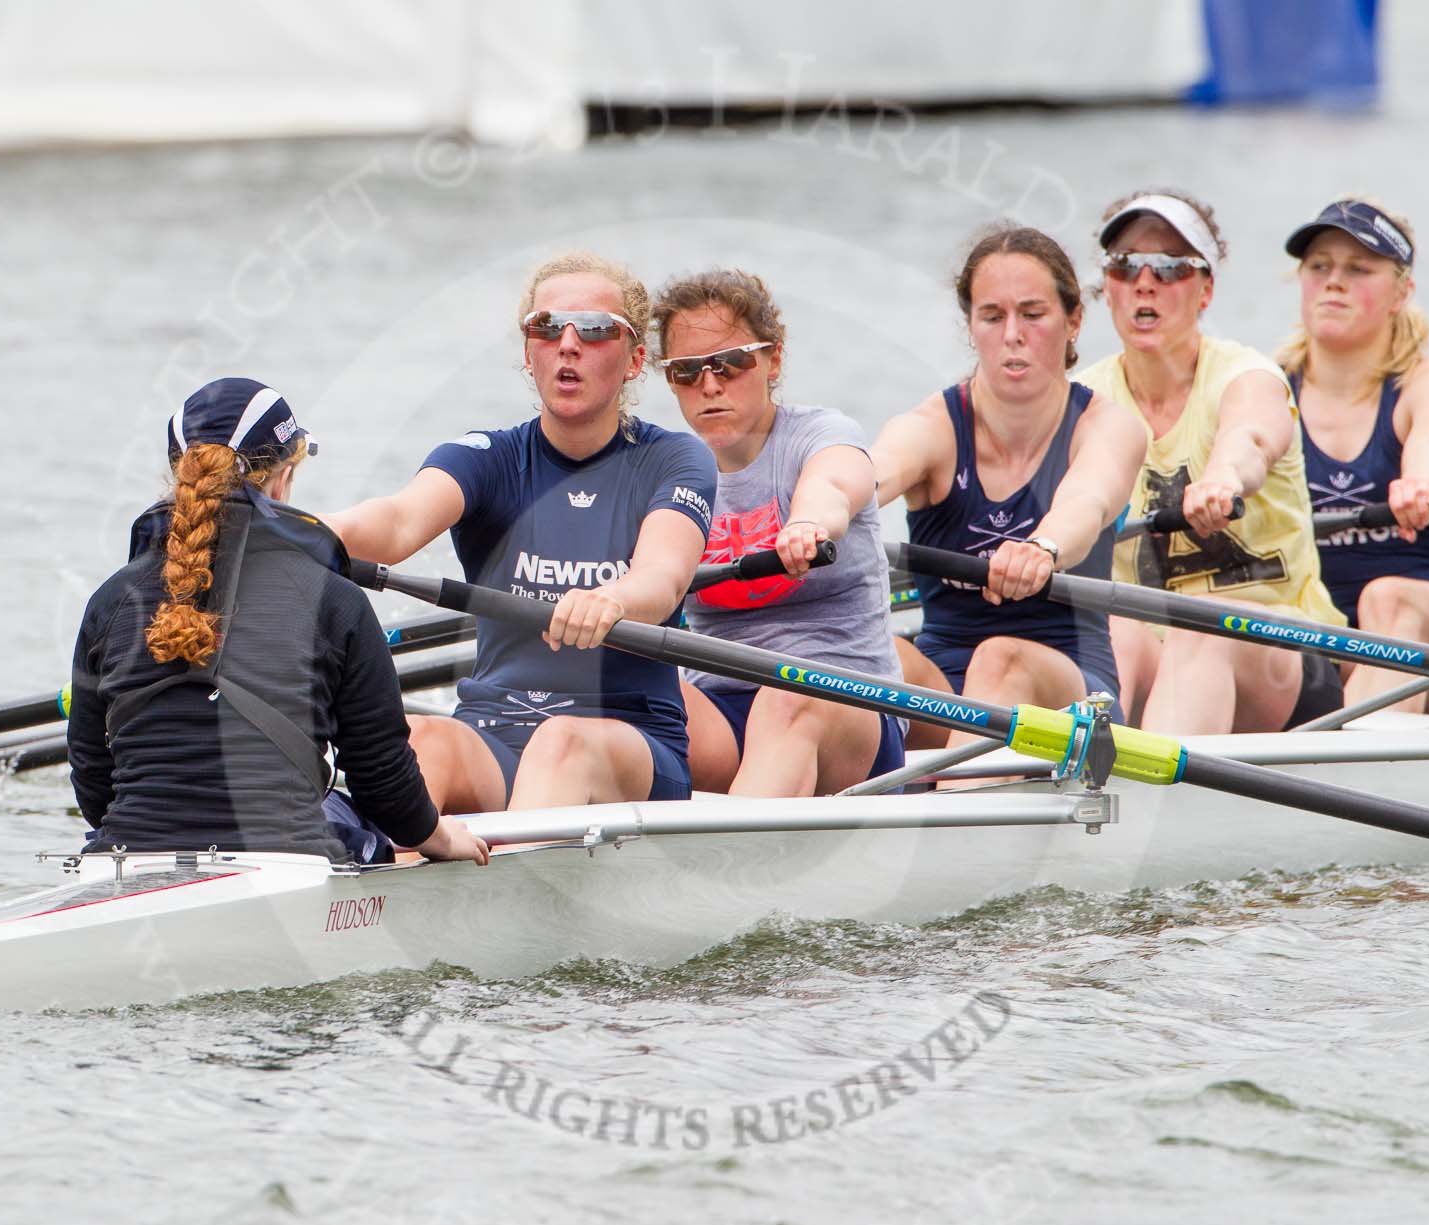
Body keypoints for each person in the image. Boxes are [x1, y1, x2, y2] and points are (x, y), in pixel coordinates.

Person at [324, 252, 716, 812]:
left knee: (561, 743)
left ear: (634, 361)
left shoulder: (674, 459)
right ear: (529, 353)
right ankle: (385, 887)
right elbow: (395, 521)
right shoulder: (484, 458)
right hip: (495, 730)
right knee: (421, 740)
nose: (569, 344)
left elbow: (662, 577)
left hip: (627, 739)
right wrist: (292, 530)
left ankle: (502, 889)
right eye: (547, 327)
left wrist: (611, 599)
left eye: (597, 330)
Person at [68, 377, 487, 866]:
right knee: (360, 826)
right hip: (288, 861)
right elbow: (382, 782)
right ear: (282, 477)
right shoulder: (336, 600)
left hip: (127, 859)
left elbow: (94, 783)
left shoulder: (111, 601)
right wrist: (438, 837)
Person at [1076, 189, 1347, 734]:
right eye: (1126, 266)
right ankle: (1069, 794)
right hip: (1150, 652)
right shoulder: (1081, 401)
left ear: (1205, 291)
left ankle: (1151, 806)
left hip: (1284, 653)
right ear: (1107, 287)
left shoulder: (1247, 376)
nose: (1145, 283)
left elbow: (1249, 438)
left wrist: (1223, 479)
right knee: (1110, 633)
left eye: (1172, 267)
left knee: (1199, 629)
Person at [870, 223, 1147, 751]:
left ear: (1073, 322)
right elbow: (867, 475)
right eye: (992, 317)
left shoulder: (1107, 427)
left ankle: (951, 817)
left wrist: (1041, 548)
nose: (1012, 334)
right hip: (944, 687)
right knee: (863, 655)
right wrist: (814, 516)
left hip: (1070, 685)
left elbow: (1086, 502)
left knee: (1000, 657)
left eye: (1033, 314)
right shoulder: (933, 426)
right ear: (971, 326)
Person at [654, 268, 907, 795]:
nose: (710, 384)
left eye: (730, 362)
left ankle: (728, 868)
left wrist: (810, 524)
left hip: (846, 707)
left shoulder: (821, 436)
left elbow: (835, 485)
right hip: (723, 713)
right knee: (611, 705)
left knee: (785, 697)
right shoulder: (669, 473)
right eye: (685, 370)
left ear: (774, 359)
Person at [1279, 198, 1429, 714]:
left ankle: (1355, 771)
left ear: (1402, 292)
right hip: (1325, 643)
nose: (1334, 282)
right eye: (1320, 267)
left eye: (1358, 268)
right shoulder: (1265, 390)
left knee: (1388, 598)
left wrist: (1424, 481)